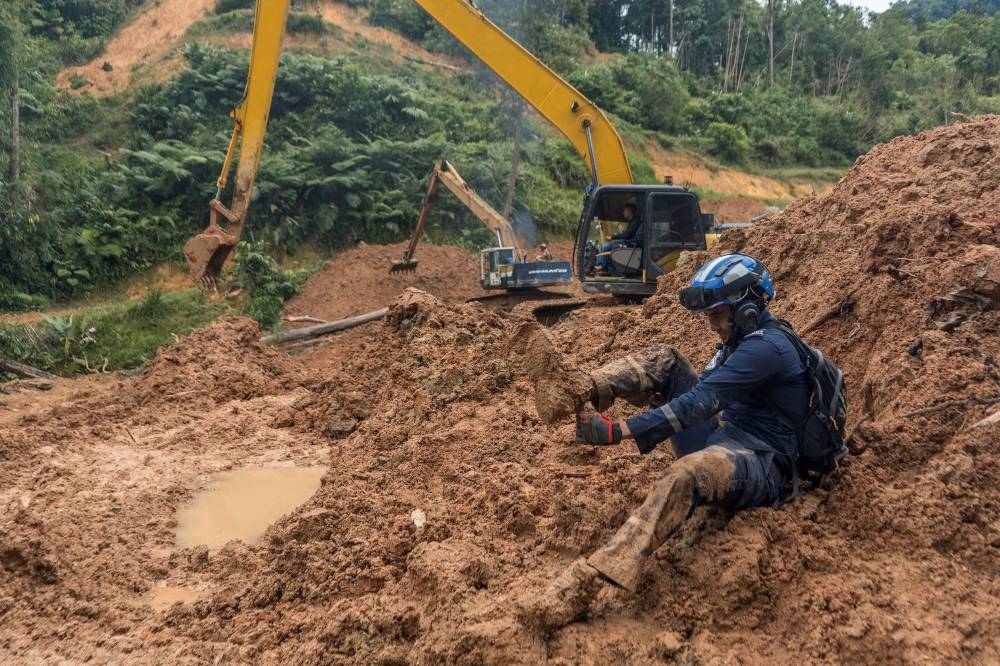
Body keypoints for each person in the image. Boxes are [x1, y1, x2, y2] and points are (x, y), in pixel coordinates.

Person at [520, 253, 816, 630]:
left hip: (762, 461)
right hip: (725, 435)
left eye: (717, 316)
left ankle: (589, 580)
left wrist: (619, 431)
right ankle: (575, 386)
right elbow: (697, 395)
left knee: (684, 476)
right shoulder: (739, 344)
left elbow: (699, 402)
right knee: (667, 360)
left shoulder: (766, 349)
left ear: (747, 308)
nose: (713, 327)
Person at [594, 203, 641, 274]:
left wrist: (612, 237)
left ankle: (602, 266)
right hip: (627, 241)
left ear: (630, 212)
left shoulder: (635, 222)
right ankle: (601, 265)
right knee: (602, 245)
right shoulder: (632, 222)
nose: (623, 213)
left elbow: (627, 235)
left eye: (625, 211)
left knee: (605, 246)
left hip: (628, 243)